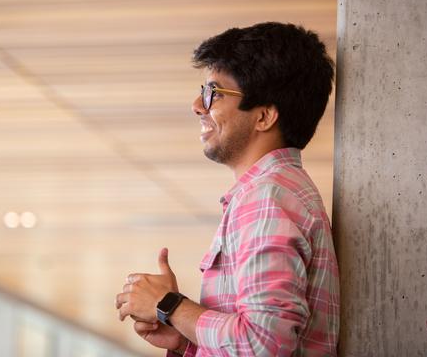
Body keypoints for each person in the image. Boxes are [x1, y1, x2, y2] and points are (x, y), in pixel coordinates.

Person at [115, 22, 340, 356]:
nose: (197, 104)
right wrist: (184, 337)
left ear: (264, 116)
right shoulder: (276, 193)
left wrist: (170, 306)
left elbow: (265, 344)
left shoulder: (266, 198)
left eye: (213, 93)